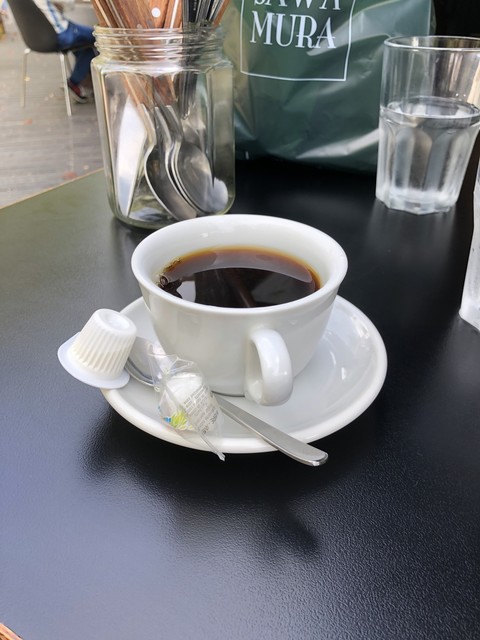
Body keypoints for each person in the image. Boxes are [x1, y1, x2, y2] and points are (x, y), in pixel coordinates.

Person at [33, 0, 96, 103]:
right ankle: (76, 81)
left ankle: (82, 80)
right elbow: (68, 3)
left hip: (39, 38)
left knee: (84, 44)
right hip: (61, 32)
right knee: (96, 35)